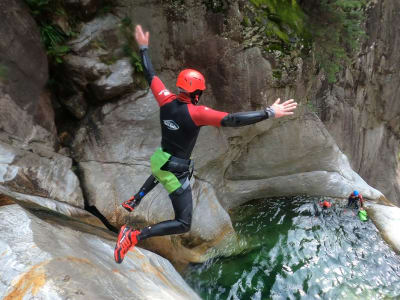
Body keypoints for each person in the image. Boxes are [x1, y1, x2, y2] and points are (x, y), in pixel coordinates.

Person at [114, 25, 298, 264]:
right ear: (197, 93)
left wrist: (143, 48)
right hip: (173, 170)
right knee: (183, 222)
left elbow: (151, 75)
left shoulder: (165, 99)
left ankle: (135, 199)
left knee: (158, 171)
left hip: (160, 159)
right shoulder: (197, 113)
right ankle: (135, 235)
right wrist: (269, 112)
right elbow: (232, 120)